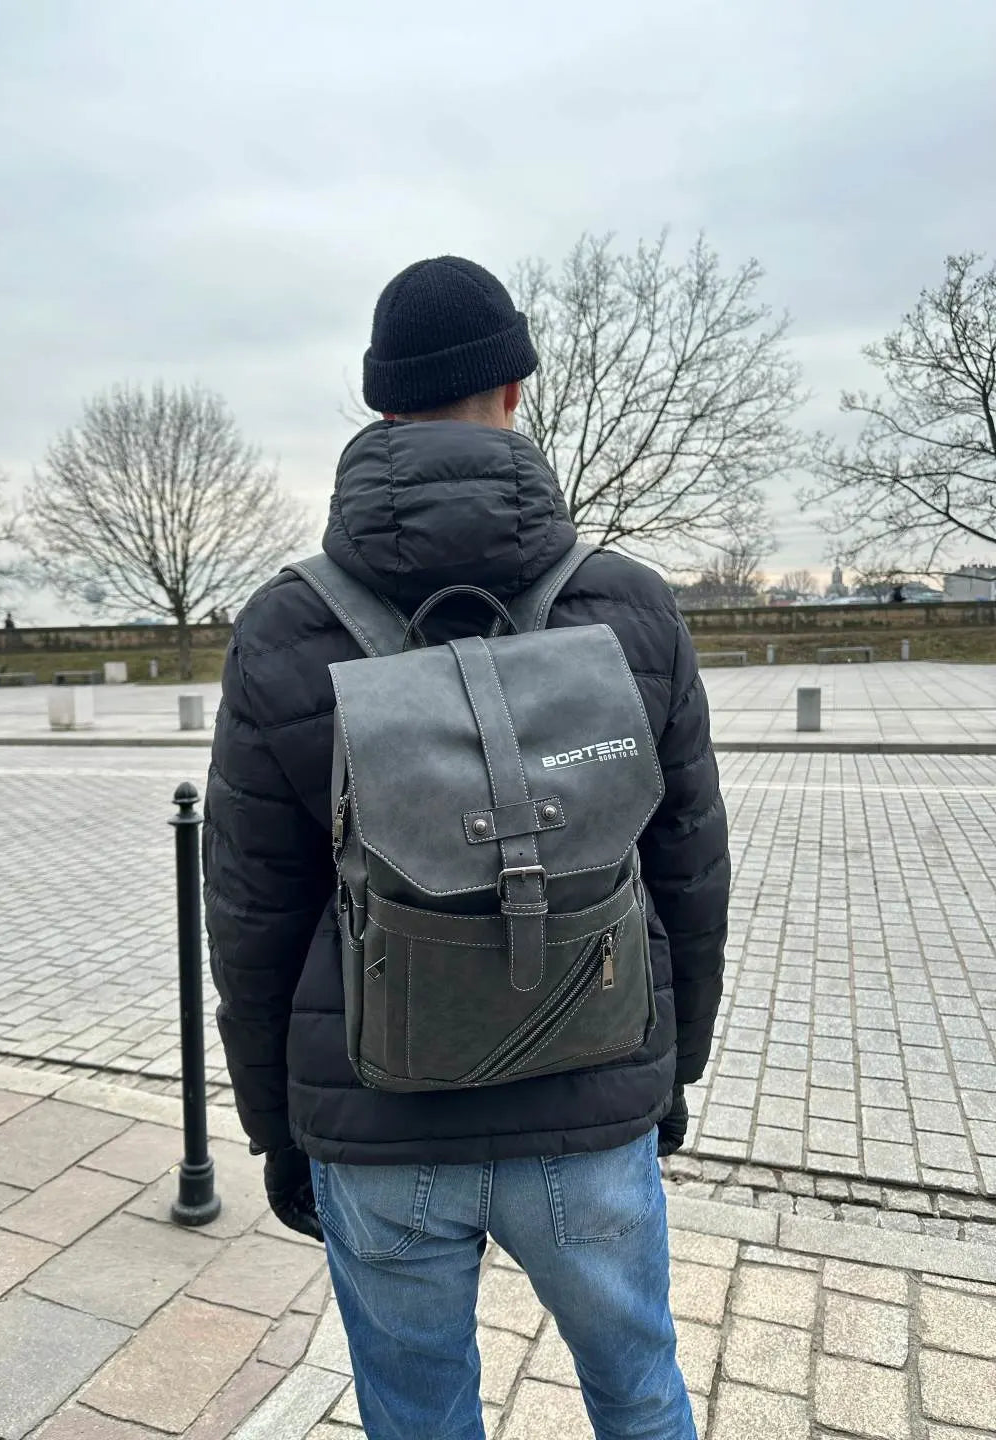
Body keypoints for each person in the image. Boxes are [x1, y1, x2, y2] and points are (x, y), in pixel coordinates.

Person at [205, 256, 730, 1440]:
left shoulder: (287, 625)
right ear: (517, 389)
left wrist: (277, 1129)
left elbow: (248, 914)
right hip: (593, 1101)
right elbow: (692, 866)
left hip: (378, 1123)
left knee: (418, 1419)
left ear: (380, 404)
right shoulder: (628, 606)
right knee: (641, 1395)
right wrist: (671, 1069)